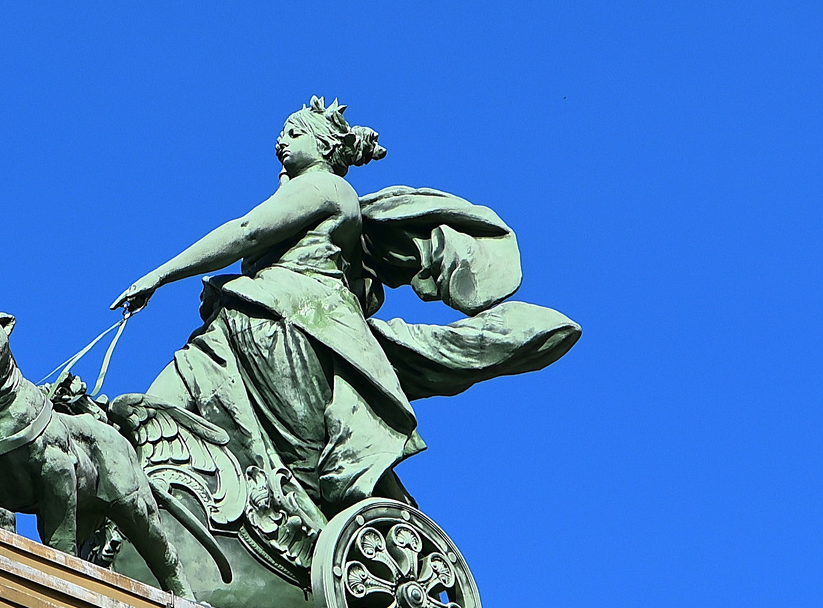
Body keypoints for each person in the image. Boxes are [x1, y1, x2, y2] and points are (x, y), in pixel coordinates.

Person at [112, 97, 579, 523]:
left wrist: (160, 275)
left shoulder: (328, 189)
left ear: (324, 146)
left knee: (305, 476)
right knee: (150, 419)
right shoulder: (308, 196)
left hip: (288, 332)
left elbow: (249, 230)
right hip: (242, 325)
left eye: (294, 133)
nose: (280, 141)